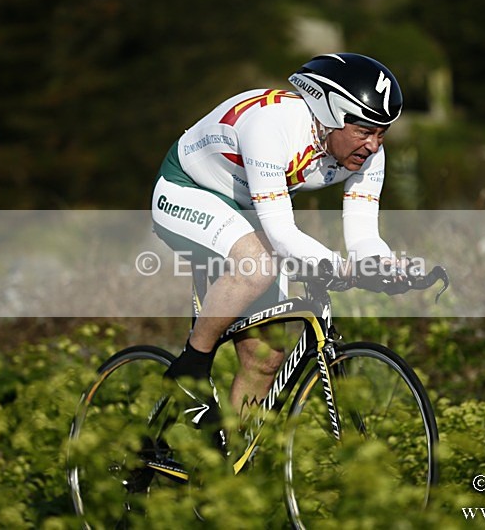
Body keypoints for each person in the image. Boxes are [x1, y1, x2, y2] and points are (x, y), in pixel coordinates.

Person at [151, 53, 408, 434]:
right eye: (365, 131)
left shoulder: (367, 154)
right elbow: (283, 235)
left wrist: (382, 265)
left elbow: (364, 234)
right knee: (258, 263)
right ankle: (192, 364)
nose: (373, 146)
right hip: (187, 189)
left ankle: (226, 474)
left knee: (265, 361)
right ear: (332, 114)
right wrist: (337, 267)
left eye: (381, 134)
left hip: (244, 209)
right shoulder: (272, 126)